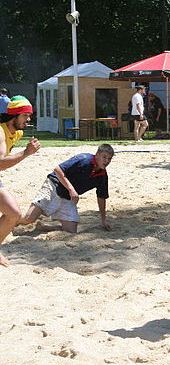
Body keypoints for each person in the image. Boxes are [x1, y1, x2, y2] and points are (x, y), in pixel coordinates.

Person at [20, 144, 114, 233]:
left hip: (67, 197)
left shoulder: (102, 176)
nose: (107, 161)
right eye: (104, 157)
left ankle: (43, 227)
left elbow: (101, 197)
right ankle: (10, 221)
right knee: (29, 219)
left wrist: (103, 219)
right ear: (97, 155)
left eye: (109, 159)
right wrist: (71, 190)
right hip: (53, 186)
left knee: (71, 231)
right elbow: (57, 169)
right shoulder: (83, 159)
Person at [0, 96, 41, 266]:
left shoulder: (18, 132)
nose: (29, 119)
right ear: (14, 116)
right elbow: (1, 163)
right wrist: (26, 153)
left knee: (14, 214)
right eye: (25, 115)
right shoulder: (0, 131)